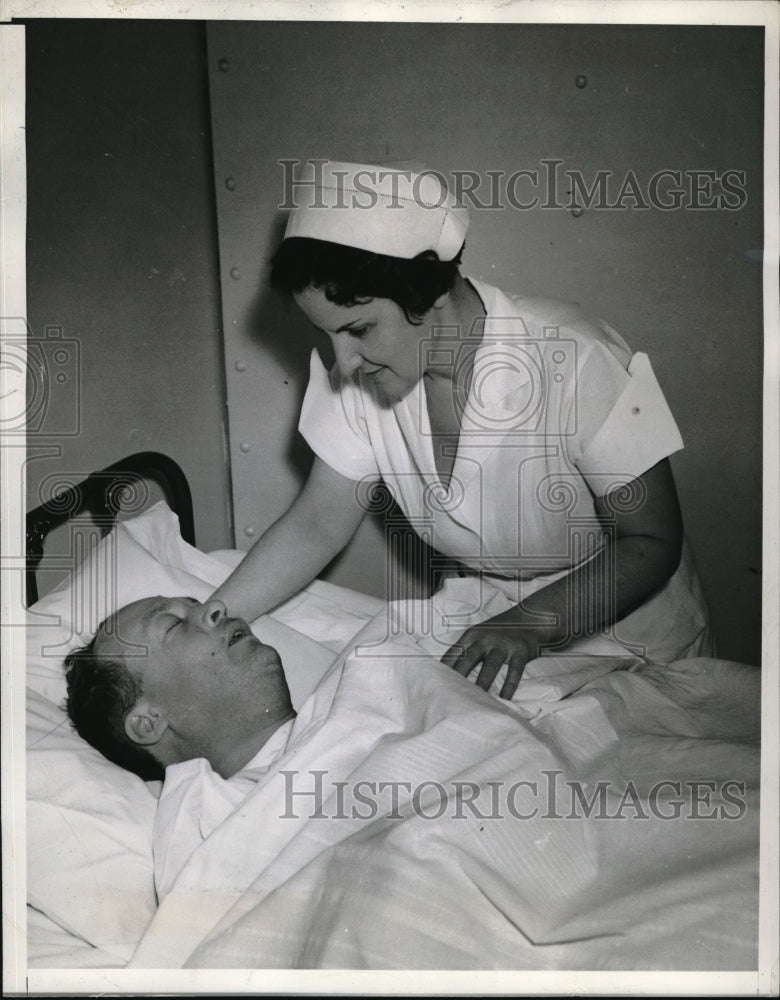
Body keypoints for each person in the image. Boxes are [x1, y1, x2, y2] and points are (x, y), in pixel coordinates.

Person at [212, 160, 712, 700]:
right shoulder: (362, 381)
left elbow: (652, 539)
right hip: (490, 622)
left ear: (428, 292)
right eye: (328, 334)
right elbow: (316, 523)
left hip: (625, 627)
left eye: (358, 329)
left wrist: (533, 623)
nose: (346, 360)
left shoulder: (575, 357)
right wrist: (210, 616)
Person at [64, 596, 295, 781]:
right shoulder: (224, 823)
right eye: (173, 625)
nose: (218, 606)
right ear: (149, 721)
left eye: (196, 603)